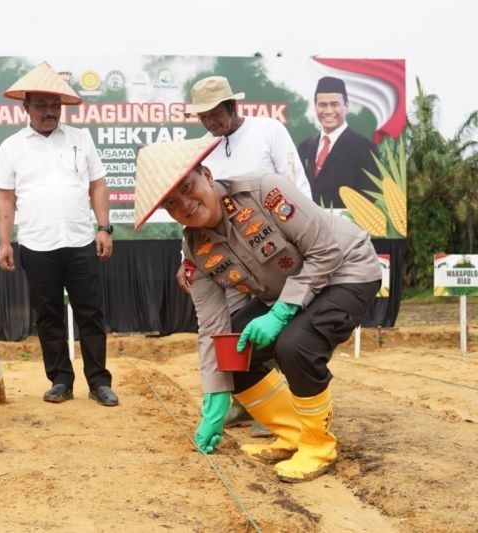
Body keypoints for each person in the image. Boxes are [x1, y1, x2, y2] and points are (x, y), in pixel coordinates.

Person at [133, 138, 381, 482]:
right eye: (173, 204)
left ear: (206, 173)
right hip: (295, 293)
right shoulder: (194, 250)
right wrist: (216, 392)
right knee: (232, 351)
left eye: (188, 188)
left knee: (295, 345)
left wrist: (280, 314)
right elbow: (212, 327)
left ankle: (318, 445)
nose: (186, 205)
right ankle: (293, 434)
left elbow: (325, 251)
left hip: (346, 271)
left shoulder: (264, 192)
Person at [181, 75, 313, 434]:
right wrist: (188, 260)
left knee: (276, 329)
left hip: (272, 250)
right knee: (228, 331)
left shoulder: (268, 131)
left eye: (215, 114)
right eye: (203, 117)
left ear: (232, 107)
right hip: (222, 255)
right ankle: (243, 402)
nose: (210, 122)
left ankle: (289, 403)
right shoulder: (202, 149)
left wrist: (302, 236)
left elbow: (296, 183)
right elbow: (193, 209)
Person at [0, 62, 118, 407]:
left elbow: (97, 184)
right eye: (41, 105)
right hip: (36, 244)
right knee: (48, 316)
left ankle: (99, 382)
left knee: (90, 313)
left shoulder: (81, 138)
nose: (49, 112)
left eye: (55, 105)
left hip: (80, 242)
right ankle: (60, 380)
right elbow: (5, 196)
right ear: (26, 107)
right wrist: (4, 241)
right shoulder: (11, 147)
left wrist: (104, 228)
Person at [297, 76, 380, 208]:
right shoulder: (304, 147)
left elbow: (370, 199)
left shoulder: (365, 149)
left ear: (346, 106)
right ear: (315, 107)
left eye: (335, 104)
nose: (328, 111)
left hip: (346, 226)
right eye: (322, 105)